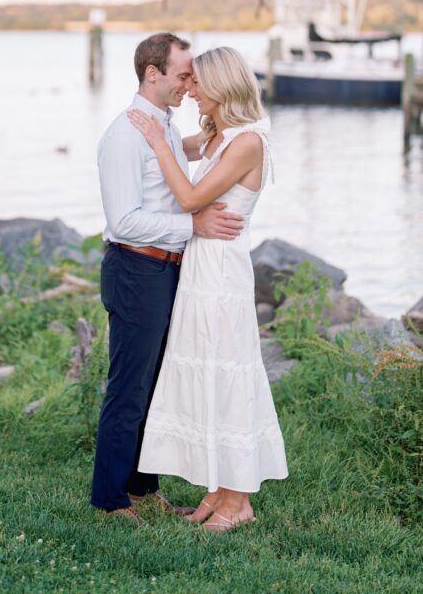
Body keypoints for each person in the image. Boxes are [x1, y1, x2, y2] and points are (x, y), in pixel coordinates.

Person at [128, 46, 288, 532]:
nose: (189, 90)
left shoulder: (248, 142)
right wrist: (148, 122)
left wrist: (157, 140)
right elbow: (183, 149)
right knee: (207, 373)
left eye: (196, 83)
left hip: (222, 273)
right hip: (201, 266)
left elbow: (192, 197)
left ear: (218, 87)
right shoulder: (221, 134)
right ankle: (218, 492)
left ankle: (238, 502)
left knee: (227, 374)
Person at [90, 33, 246, 521]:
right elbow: (123, 221)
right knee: (129, 387)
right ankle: (111, 499)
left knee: (155, 386)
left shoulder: (164, 129)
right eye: (183, 75)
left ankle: (140, 486)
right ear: (151, 73)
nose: (189, 83)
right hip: (137, 267)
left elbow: (214, 144)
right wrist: (192, 225)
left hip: (165, 270)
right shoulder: (123, 136)